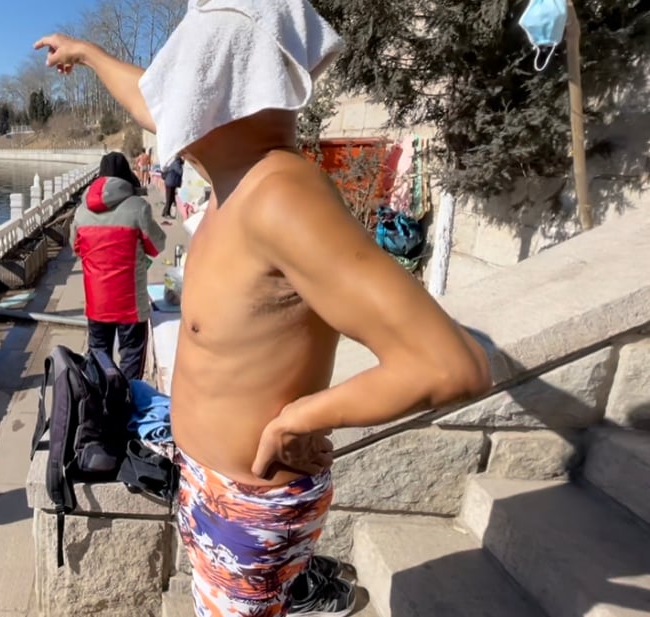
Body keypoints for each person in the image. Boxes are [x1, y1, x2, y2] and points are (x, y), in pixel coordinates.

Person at [36, 3, 491, 616]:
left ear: (217, 87)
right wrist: (87, 53)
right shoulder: (232, 171)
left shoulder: (280, 194)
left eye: (187, 78)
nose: (169, 104)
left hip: (246, 501)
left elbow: (449, 364)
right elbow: (150, 103)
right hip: (205, 479)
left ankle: (299, 588)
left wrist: (299, 418)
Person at [70, 152, 166, 382]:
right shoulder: (138, 207)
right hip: (130, 306)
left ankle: (101, 412)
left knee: (97, 365)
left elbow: (77, 249)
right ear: (126, 175)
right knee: (131, 370)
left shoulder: (81, 212)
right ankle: (126, 411)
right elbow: (157, 245)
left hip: (97, 304)